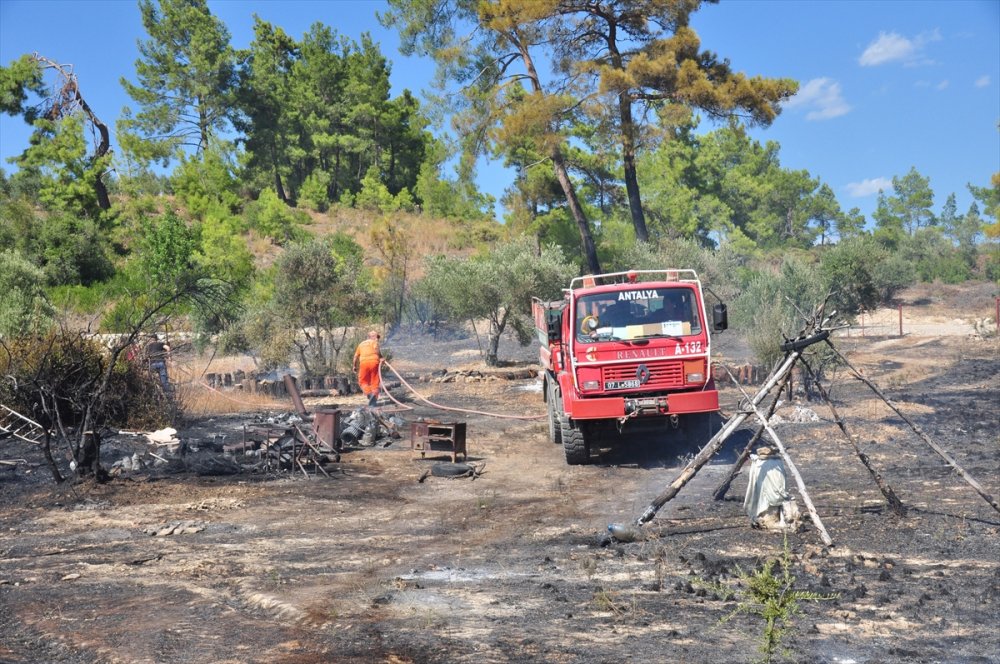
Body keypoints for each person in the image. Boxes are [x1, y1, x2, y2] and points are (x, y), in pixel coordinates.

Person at [353, 329, 383, 408]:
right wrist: (381, 357)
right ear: (371, 337)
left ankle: (370, 394)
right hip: (374, 362)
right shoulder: (374, 342)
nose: (377, 339)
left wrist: (354, 366)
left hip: (364, 363)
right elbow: (376, 349)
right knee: (375, 382)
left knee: (362, 382)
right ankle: (373, 397)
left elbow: (355, 356)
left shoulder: (361, 344)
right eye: (376, 337)